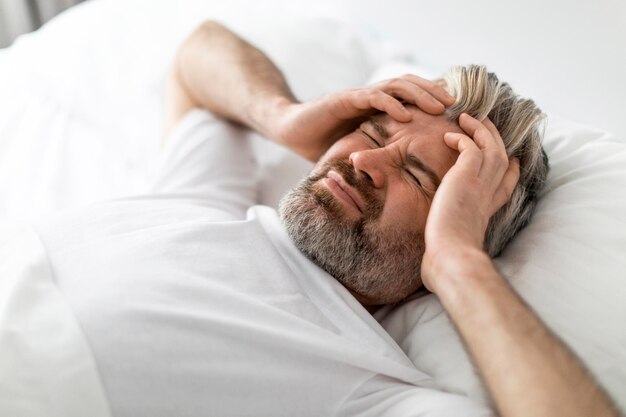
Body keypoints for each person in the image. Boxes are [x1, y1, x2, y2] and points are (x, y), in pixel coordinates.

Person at [32, 20, 619, 417]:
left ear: (461, 220)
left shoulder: (364, 388)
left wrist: (459, 261)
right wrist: (284, 117)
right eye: (370, 131)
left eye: (419, 176)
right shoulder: (205, 197)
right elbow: (198, 54)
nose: (363, 158)